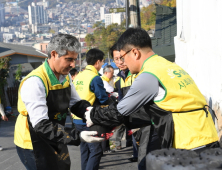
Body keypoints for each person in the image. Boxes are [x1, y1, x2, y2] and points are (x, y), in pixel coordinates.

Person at [83, 27, 219, 160]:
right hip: (208, 137)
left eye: (123, 57)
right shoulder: (170, 66)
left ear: (135, 53)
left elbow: (120, 111)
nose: (123, 62)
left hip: (188, 145)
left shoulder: (148, 75)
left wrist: (93, 115)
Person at [14, 34, 104, 170]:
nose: (73, 64)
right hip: (33, 142)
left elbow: (76, 103)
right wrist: (77, 135)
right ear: (54, 54)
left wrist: (93, 113)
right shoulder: (35, 82)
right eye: (69, 59)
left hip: (56, 134)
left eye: (74, 59)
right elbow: (41, 125)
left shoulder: (65, 76)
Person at [72, 48, 111, 170]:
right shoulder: (94, 77)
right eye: (102, 62)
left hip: (76, 118)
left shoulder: (79, 76)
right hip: (88, 118)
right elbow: (103, 98)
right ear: (98, 62)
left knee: (85, 149)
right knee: (96, 150)